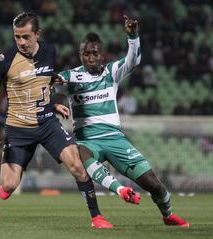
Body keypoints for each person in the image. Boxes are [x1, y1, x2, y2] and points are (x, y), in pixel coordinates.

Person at [0, 12, 137, 229]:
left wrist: (52, 103)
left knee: (77, 165)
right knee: (8, 186)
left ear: (38, 34)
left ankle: (96, 217)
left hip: (47, 124)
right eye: (17, 37)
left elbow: (43, 85)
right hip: (18, 129)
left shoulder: (49, 51)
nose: (21, 42)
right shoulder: (4, 61)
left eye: (26, 37)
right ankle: (11, 174)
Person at [53, 15, 189, 227]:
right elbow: (50, 88)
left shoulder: (111, 72)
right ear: (80, 55)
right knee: (80, 155)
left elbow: (133, 60)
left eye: (94, 53)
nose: (90, 58)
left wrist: (133, 37)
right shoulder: (70, 77)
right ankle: (119, 191)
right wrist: (52, 95)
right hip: (87, 139)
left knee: (153, 184)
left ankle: (168, 214)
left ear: (102, 55)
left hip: (115, 139)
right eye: (85, 54)